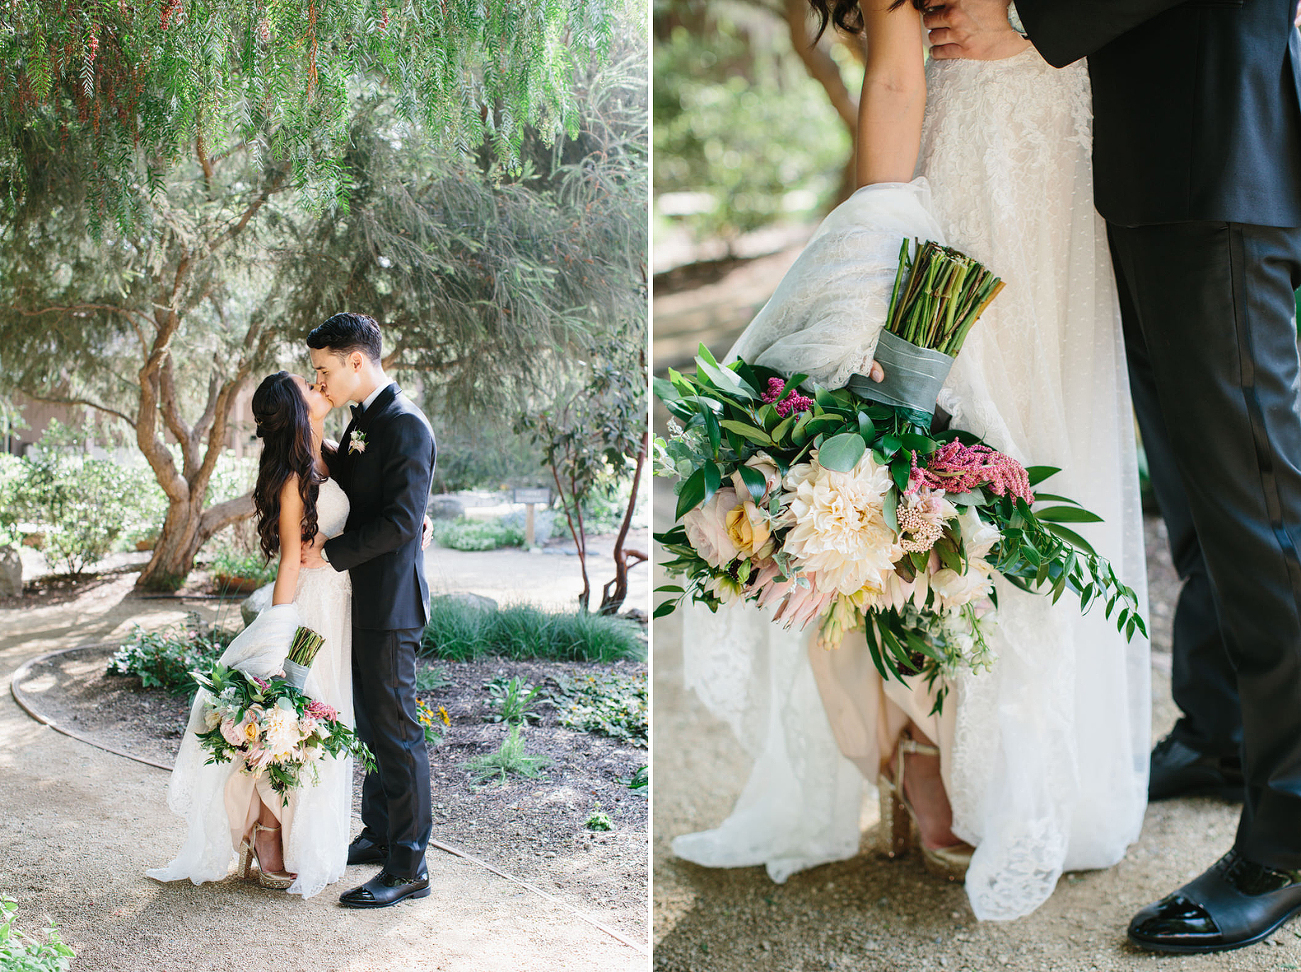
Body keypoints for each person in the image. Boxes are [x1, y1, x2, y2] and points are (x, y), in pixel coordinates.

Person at [670, 0, 1151, 921]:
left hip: (1073, 177)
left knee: (1049, 458)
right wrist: (874, 240)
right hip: (965, 182)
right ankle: (924, 746)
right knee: (941, 461)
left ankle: (1049, 762)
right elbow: (893, 72)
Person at [927, 0, 1301, 953]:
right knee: (1193, 489)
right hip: (1149, 157)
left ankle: (1290, 836)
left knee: (1262, 510)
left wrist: (1019, 11)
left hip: (1214, 143)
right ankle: (1219, 730)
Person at [148, 370, 355, 898]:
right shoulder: (292, 476)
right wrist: (278, 634)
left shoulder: (332, 454)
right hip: (309, 614)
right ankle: (266, 833)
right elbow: (291, 560)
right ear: (296, 407)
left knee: (323, 723)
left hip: (341, 605)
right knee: (290, 717)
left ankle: (298, 834)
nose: (320, 387)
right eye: (309, 385)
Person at [301, 312, 439, 909]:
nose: (321, 381)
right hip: (364, 600)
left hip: (390, 605)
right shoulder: (366, 421)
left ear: (357, 362)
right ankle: (381, 834)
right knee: (375, 728)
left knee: (398, 733)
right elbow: (354, 477)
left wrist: (329, 554)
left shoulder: (407, 425)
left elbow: (405, 521)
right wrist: (314, 425)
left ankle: (410, 867)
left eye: (324, 370)